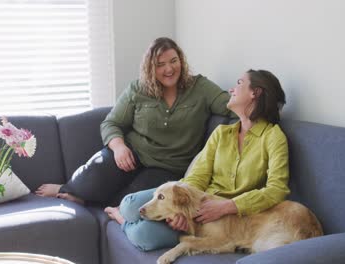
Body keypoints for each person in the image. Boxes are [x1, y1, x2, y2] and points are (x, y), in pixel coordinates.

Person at [104, 69, 290, 251]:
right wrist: (182, 208)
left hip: (226, 220)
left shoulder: (273, 137)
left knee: (143, 236)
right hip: (194, 202)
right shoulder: (222, 133)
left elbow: (276, 189)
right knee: (130, 205)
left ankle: (121, 221)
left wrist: (228, 206)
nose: (231, 90)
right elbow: (198, 176)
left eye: (239, 83)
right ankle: (124, 214)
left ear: (254, 93)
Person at [35, 37, 234, 206]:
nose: (169, 69)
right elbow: (111, 123)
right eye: (160, 64)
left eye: (174, 61)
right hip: (133, 153)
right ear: (150, 67)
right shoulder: (138, 89)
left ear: (181, 61)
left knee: (133, 200)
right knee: (90, 177)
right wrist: (119, 147)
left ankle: (91, 200)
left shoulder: (200, 87)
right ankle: (70, 189)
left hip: (168, 166)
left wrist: (240, 95)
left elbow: (230, 105)